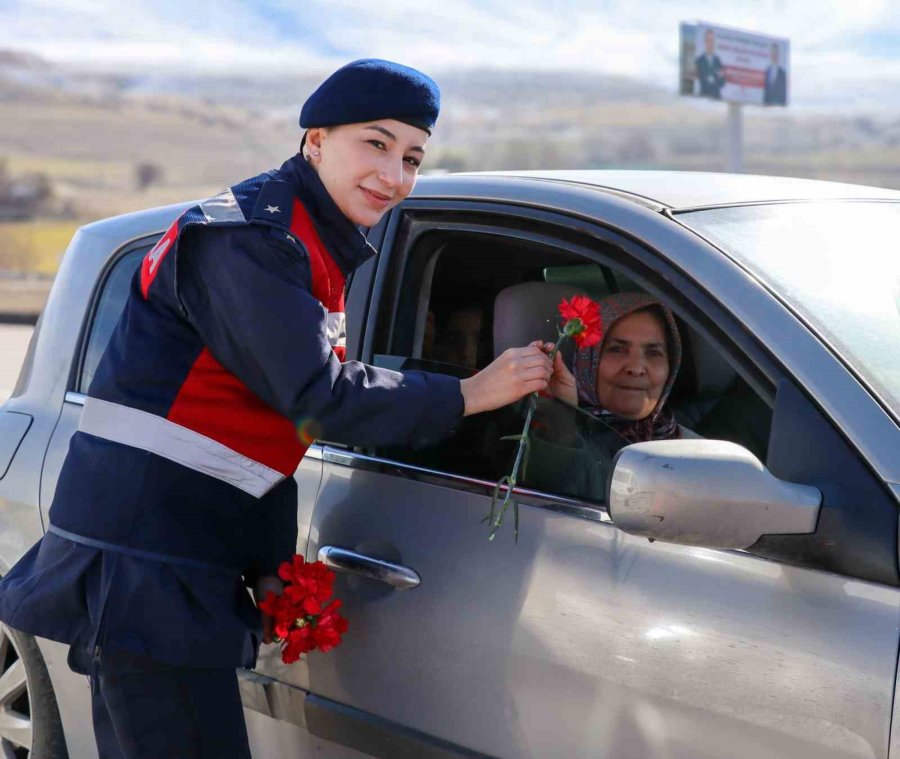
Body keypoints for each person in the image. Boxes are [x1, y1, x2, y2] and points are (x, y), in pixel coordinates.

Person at [0, 59, 552, 758]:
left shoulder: (308, 241)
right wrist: (470, 392)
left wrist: (267, 563)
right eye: (375, 145)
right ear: (315, 140)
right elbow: (316, 397)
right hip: (144, 569)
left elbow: (256, 440)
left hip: (174, 560)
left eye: (412, 157)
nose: (396, 175)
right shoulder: (252, 241)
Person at [525, 293, 695, 502]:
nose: (636, 368)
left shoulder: (689, 446)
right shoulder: (543, 437)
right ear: (588, 361)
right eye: (617, 349)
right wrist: (563, 419)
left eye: (653, 353)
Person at [695, 28, 726, 99]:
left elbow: (723, 82)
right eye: (708, 40)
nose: (710, 43)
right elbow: (701, 80)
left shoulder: (718, 61)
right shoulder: (699, 61)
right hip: (703, 98)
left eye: (712, 41)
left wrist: (718, 78)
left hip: (717, 99)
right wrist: (715, 78)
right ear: (704, 42)